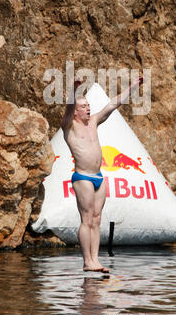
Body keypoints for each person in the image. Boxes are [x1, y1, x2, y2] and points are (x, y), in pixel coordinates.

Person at [61, 76, 144, 273]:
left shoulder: (94, 121)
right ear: (76, 112)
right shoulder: (69, 126)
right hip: (83, 177)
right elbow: (69, 107)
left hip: (99, 176)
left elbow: (113, 104)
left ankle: (95, 260)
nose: (87, 109)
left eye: (88, 105)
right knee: (87, 219)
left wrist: (133, 86)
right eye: (83, 106)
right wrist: (74, 88)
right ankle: (87, 261)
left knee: (97, 219)